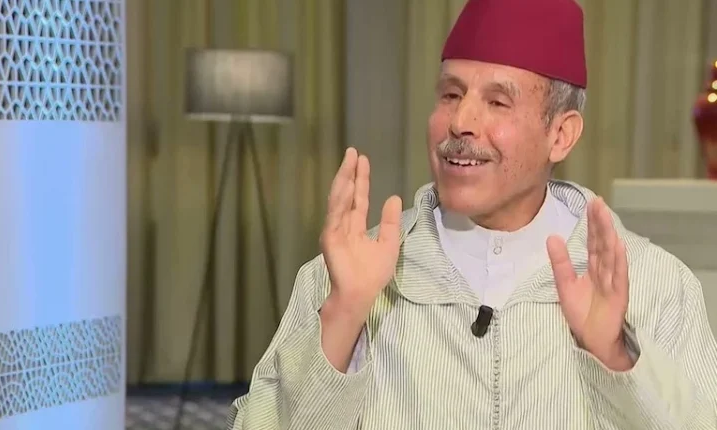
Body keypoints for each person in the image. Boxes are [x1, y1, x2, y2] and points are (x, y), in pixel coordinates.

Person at [226, 0, 717, 428]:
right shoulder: (346, 274)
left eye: (498, 102)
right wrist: (344, 316)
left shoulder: (655, 285)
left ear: (561, 135)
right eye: (451, 94)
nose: (460, 122)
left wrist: (615, 357)